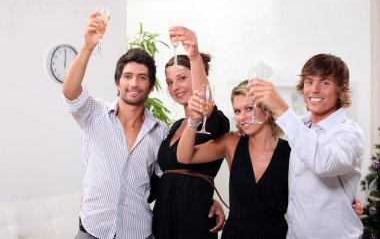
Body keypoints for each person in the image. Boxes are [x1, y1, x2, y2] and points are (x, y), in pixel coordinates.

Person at [63, 13, 224, 239]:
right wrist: (88, 47)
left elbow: (169, 177)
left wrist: (206, 198)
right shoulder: (94, 115)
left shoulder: (160, 131)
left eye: (142, 77)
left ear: (150, 88)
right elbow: (70, 92)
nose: (134, 83)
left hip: (138, 232)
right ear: (117, 83)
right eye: (127, 76)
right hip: (92, 230)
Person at [249, 53, 364, 238]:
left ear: (340, 90)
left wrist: (281, 108)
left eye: (325, 83)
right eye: (309, 82)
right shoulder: (299, 125)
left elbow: (324, 164)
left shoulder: (350, 132)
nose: (314, 90)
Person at [177, 81, 291, 238]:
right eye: (237, 111)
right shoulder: (231, 143)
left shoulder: (291, 151)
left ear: (266, 108)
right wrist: (193, 120)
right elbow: (184, 156)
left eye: (249, 108)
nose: (242, 117)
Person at [152, 26, 230, 239]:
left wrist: (194, 56)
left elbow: (203, 103)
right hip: (163, 219)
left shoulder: (214, 121)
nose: (175, 86)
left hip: (193, 219)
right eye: (169, 82)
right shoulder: (175, 126)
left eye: (182, 78)